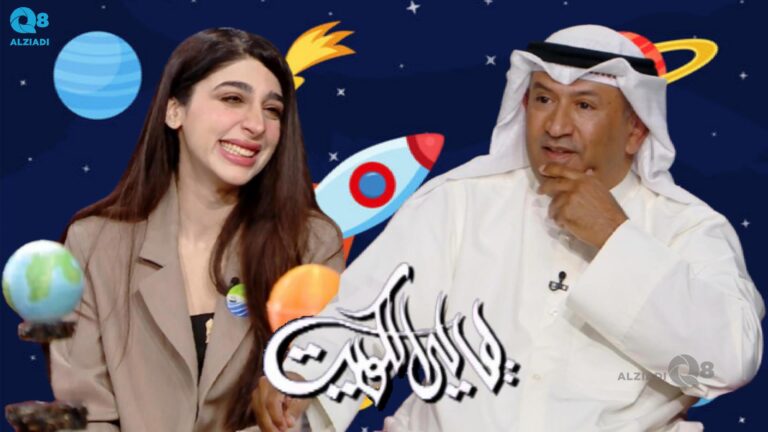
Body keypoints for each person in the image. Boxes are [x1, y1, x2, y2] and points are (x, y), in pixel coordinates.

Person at [253, 25, 764, 431]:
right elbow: (369, 319)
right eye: (543, 100)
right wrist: (306, 378)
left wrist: (614, 238)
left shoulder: (687, 227)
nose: (556, 126)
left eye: (584, 105)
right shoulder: (461, 202)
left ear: (635, 130)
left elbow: (727, 360)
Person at [50, 28, 344, 431]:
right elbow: (86, 415)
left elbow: (307, 409)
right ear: (175, 111)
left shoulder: (311, 244)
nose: (256, 124)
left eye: (272, 110)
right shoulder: (93, 243)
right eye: (232, 99)